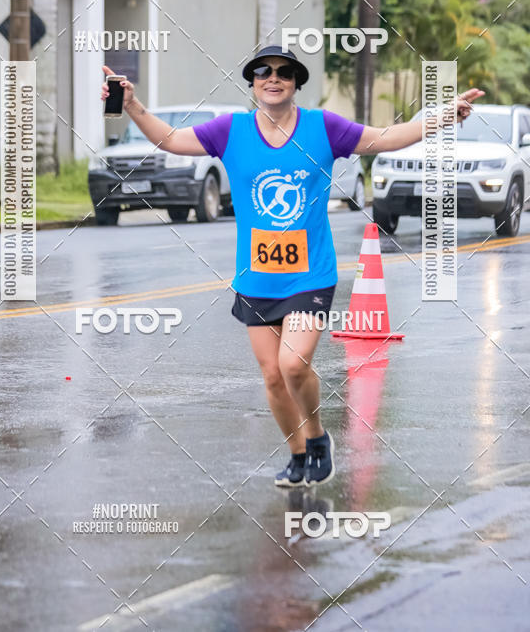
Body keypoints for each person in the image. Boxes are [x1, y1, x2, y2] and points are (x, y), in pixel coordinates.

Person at [101, 49, 483, 488]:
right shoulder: (232, 131)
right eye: (263, 72)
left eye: (283, 73)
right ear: (252, 83)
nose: (272, 78)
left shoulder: (324, 127)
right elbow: (169, 139)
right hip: (257, 278)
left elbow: (387, 138)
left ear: (296, 82)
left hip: (310, 275)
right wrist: (131, 104)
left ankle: (318, 437)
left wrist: (443, 116)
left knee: (293, 365)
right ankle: (299, 453)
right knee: (272, 377)